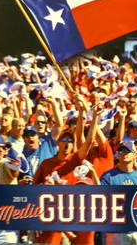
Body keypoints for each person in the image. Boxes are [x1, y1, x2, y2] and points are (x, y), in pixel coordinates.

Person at [33, 104, 101, 245]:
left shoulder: (75, 160)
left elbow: (88, 141)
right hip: (50, 220)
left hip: (70, 217)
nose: (67, 143)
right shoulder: (46, 164)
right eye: (64, 140)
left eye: (70, 141)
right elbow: (34, 191)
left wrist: (95, 117)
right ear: (57, 142)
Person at [100, 140, 137, 245]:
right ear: (117, 155)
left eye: (127, 151)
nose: (124, 153)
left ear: (134, 155)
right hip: (116, 231)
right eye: (121, 151)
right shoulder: (107, 177)